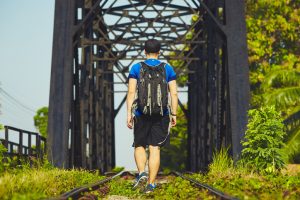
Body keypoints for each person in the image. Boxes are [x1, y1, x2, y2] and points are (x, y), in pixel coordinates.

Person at [126, 39, 178, 193]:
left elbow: (131, 92)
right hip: (161, 114)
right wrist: (173, 113)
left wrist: (129, 113)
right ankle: (151, 184)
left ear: (144, 51)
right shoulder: (167, 69)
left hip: (141, 113)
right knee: (155, 147)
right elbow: (173, 93)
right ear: (159, 52)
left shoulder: (136, 67)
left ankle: (142, 173)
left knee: (139, 144)